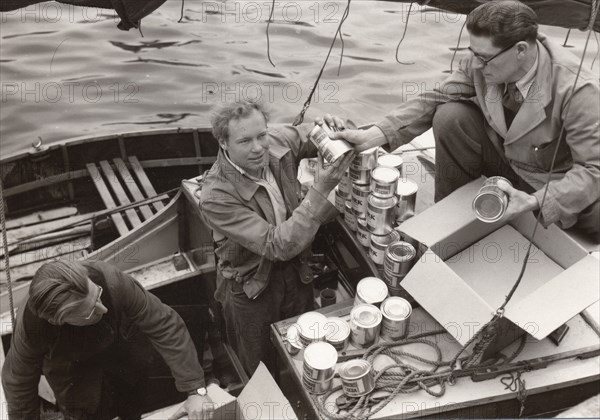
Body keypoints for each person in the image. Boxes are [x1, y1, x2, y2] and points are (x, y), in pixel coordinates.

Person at [332, 0, 599, 236]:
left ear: (520, 50)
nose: (475, 64)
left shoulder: (578, 91)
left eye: (484, 58)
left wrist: (534, 202)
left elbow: (593, 171)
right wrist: (374, 135)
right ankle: (450, 220)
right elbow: (435, 98)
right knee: (451, 115)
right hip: (506, 160)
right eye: (472, 53)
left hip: (547, 181)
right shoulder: (483, 60)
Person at [199, 100, 354, 376]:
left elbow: (318, 134)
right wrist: (322, 187)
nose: (258, 147)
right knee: (260, 367)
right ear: (223, 143)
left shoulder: (277, 141)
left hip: (297, 273)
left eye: (262, 135)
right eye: (245, 141)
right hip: (251, 289)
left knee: (306, 343)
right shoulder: (216, 196)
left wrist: (337, 129)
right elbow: (277, 245)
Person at [2, 259, 217, 420]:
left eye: (97, 296)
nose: (103, 309)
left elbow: (165, 325)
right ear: (59, 320)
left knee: (132, 403)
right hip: (73, 376)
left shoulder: (112, 281)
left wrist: (195, 390)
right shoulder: (32, 328)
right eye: (90, 312)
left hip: (122, 355)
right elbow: (18, 384)